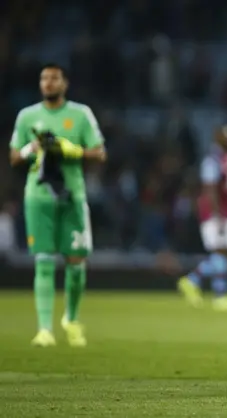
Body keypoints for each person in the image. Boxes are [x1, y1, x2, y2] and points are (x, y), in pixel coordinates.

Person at [9, 63, 107, 347]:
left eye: (54, 78)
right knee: (44, 261)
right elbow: (14, 156)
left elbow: (100, 153)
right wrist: (33, 148)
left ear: (65, 83)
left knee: (76, 264)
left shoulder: (80, 114)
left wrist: (71, 149)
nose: (48, 83)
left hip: (72, 196)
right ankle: (44, 330)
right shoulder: (28, 116)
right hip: (39, 198)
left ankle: (72, 319)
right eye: (44, 78)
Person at [178, 124, 227, 312]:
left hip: (226, 211)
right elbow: (210, 189)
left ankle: (192, 281)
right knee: (220, 252)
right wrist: (218, 215)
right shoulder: (213, 160)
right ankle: (219, 295)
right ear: (218, 138)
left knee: (224, 253)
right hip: (216, 213)